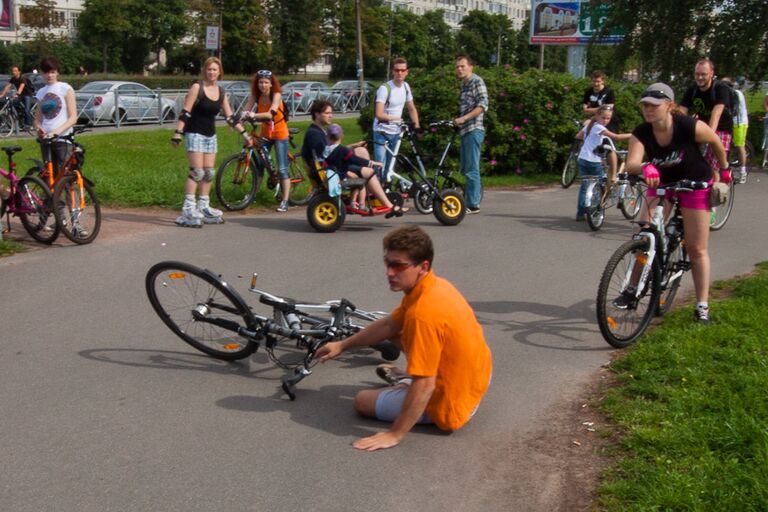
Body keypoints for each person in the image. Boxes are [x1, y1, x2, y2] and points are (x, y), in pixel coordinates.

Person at [315, 225, 493, 451]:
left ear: (423, 266)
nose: (389, 272)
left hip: (454, 404)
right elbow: (390, 324)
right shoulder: (435, 285)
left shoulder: (424, 314)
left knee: (362, 401)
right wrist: (342, 345)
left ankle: (406, 384)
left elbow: (425, 384)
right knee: (400, 330)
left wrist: (394, 434)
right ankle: (407, 381)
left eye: (398, 265)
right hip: (479, 378)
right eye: (388, 263)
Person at [622, 83, 728, 324]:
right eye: (645, 105)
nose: (649, 110)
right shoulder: (642, 132)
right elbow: (631, 163)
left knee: (696, 248)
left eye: (654, 105)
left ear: (669, 106)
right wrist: (645, 166)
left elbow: (715, 142)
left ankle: (702, 307)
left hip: (695, 183)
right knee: (644, 235)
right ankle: (631, 289)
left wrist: (724, 169)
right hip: (663, 184)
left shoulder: (688, 126)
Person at [171, 57, 249, 228]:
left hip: (210, 136)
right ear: (204, 71)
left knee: (208, 173)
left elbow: (229, 117)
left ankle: (203, 206)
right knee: (196, 172)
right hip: (194, 133)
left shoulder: (221, 92)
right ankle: (188, 209)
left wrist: (244, 133)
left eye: (215, 70)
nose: (212, 72)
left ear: (219, 72)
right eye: (209, 69)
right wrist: (178, 133)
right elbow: (185, 112)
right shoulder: (197, 88)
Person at [301, 100, 402, 217]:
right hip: (331, 171)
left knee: (361, 151)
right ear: (317, 114)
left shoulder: (317, 131)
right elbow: (326, 157)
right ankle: (386, 203)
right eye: (327, 113)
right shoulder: (315, 135)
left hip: (331, 167)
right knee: (368, 170)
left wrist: (353, 147)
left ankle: (369, 193)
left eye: (331, 113)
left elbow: (331, 151)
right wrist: (350, 168)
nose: (331, 115)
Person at [324, 123, 402, 216]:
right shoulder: (342, 150)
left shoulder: (326, 149)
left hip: (333, 174)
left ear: (327, 136)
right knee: (362, 181)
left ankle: (353, 203)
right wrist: (374, 163)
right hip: (340, 177)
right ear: (342, 136)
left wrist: (354, 146)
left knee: (357, 177)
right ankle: (361, 205)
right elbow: (356, 160)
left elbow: (341, 151)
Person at [242, 69, 291, 212]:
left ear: (271, 84)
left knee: (282, 169)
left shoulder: (276, 95)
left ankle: (285, 200)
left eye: (266, 82)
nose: (263, 85)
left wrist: (253, 115)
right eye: (260, 82)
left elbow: (271, 114)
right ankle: (252, 195)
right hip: (265, 134)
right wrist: (241, 116)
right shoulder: (255, 96)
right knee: (259, 167)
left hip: (280, 133)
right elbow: (246, 109)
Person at [679, 59, 733, 181]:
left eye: (703, 74)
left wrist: (709, 135)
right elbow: (681, 112)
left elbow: (716, 113)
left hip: (721, 129)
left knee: (712, 166)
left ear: (711, 73)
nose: (700, 77)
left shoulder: (720, 88)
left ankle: (716, 194)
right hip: (703, 127)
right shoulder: (692, 89)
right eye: (697, 74)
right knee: (688, 156)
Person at [575, 105, 631, 220]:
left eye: (608, 118)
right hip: (593, 161)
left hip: (582, 159)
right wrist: (633, 135)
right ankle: (597, 209)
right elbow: (616, 137)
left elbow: (578, 136)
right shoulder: (599, 127)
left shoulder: (590, 126)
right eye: (604, 117)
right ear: (597, 116)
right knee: (602, 185)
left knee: (585, 186)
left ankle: (580, 213)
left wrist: (591, 141)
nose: (606, 120)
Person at [373, 58, 420, 176]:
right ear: (392, 71)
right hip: (381, 132)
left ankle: (386, 190)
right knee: (379, 165)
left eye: (402, 70)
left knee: (389, 167)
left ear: (406, 72)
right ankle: (375, 192)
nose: (400, 73)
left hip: (396, 132)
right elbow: (379, 114)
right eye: (397, 70)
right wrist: (395, 119)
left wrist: (417, 127)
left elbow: (411, 108)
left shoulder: (406, 87)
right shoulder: (385, 89)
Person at [453, 55, 488, 214]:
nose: (459, 69)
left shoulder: (476, 82)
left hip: (474, 129)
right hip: (465, 130)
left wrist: (464, 118)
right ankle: (469, 198)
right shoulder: (464, 85)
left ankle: (473, 204)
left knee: (472, 168)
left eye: (462, 66)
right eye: (457, 67)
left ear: (471, 67)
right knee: (466, 167)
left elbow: (482, 105)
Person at [34, 57, 78, 174]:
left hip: (63, 139)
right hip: (46, 140)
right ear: (42, 73)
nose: (50, 75)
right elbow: (38, 119)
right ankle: (50, 193)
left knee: (66, 175)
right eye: (46, 72)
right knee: (49, 175)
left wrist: (56, 132)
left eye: (52, 72)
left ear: (57, 72)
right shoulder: (41, 92)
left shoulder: (65, 88)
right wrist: (39, 128)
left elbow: (73, 117)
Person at [582, 70, 621, 180]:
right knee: (582, 134)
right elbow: (585, 110)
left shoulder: (608, 92)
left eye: (598, 81)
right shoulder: (588, 92)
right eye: (594, 81)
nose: (596, 84)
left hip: (608, 120)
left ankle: (613, 173)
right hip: (594, 120)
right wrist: (600, 109)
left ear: (603, 81)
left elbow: (608, 109)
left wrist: (593, 110)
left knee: (609, 144)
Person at [721, 77, 748, 183]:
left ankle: (743, 172)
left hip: (739, 123)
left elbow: (734, 110)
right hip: (732, 122)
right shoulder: (729, 92)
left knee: (739, 145)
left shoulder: (735, 93)